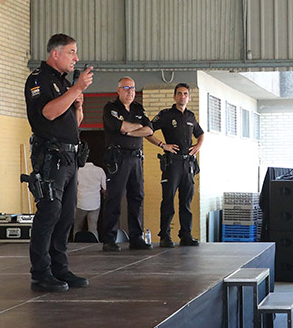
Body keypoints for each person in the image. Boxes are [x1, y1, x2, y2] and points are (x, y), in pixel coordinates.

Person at [23, 33, 94, 292]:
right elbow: (48, 113)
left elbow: (73, 124)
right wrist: (76, 89)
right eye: (71, 52)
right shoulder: (38, 79)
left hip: (70, 157)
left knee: (66, 216)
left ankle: (60, 268)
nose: (76, 58)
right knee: (49, 213)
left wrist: (78, 106)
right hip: (51, 157)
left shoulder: (63, 84)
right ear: (56, 53)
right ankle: (41, 272)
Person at [147, 83, 205, 247]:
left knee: (186, 202)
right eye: (179, 93)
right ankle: (165, 236)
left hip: (188, 164)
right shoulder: (166, 115)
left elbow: (200, 134)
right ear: (174, 97)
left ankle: (186, 235)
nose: (182, 96)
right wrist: (162, 145)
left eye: (185, 94)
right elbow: (148, 131)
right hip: (172, 164)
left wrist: (198, 146)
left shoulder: (191, 116)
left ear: (189, 97)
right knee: (168, 200)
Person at [100, 77, 154, 251]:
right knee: (114, 197)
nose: (130, 91)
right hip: (118, 158)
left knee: (137, 197)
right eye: (126, 88)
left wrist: (129, 131)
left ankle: (136, 238)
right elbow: (119, 127)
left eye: (132, 88)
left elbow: (149, 129)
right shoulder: (110, 108)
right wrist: (135, 127)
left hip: (136, 158)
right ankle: (109, 239)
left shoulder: (138, 108)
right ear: (118, 90)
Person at [73, 161, 106, 241]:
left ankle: (75, 243)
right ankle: (95, 244)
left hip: (80, 203)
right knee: (93, 228)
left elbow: (73, 186)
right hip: (95, 203)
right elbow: (105, 188)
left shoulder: (78, 170)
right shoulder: (100, 170)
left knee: (77, 227)